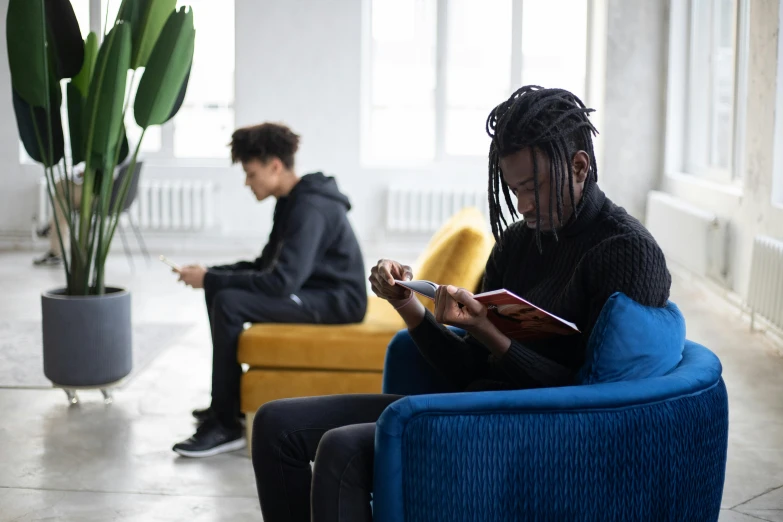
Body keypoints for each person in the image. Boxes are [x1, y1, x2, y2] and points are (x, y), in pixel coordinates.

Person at [249, 86, 673, 521]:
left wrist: (489, 332)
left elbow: (593, 400)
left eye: (533, 188)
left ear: (579, 166)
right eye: (513, 189)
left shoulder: (625, 251)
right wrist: (409, 306)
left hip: (540, 429)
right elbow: (467, 370)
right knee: (274, 424)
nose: (522, 206)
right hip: (472, 404)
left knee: (342, 449)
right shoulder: (517, 243)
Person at [172, 122, 368, 457]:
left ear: (274, 166)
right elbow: (266, 265)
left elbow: (281, 283)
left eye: (251, 174)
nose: (248, 183)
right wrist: (211, 273)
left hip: (338, 301)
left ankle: (227, 425)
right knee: (220, 292)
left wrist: (212, 279)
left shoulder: (311, 208)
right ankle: (226, 406)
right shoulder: (291, 201)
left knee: (229, 301)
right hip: (313, 290)